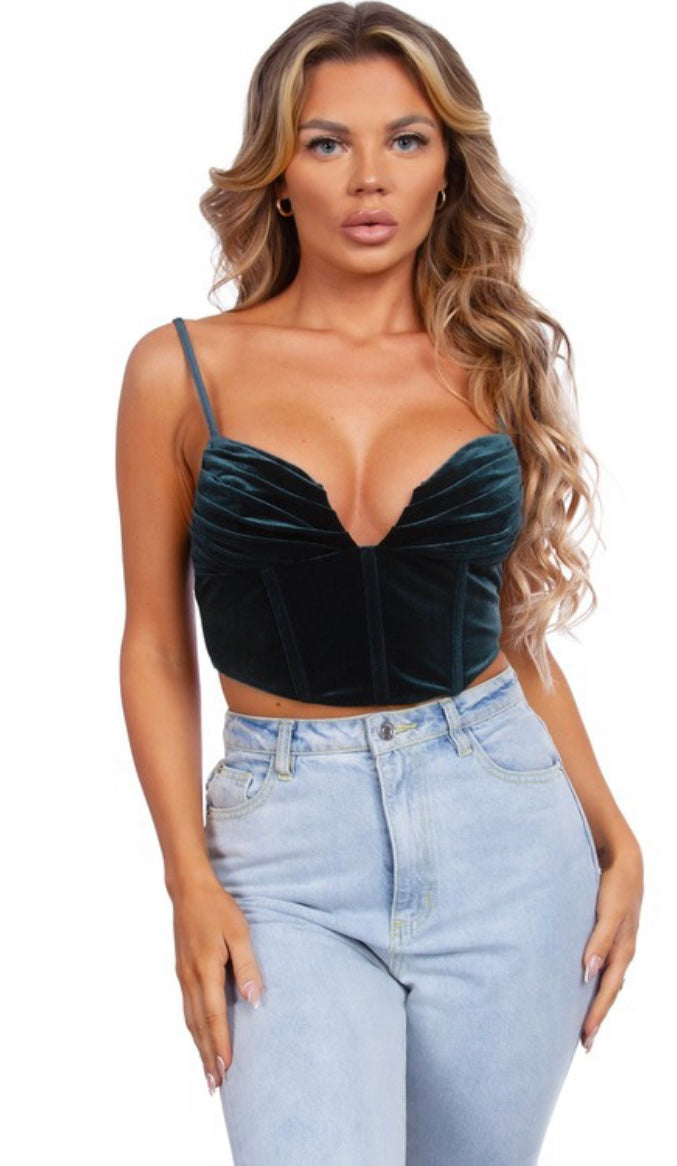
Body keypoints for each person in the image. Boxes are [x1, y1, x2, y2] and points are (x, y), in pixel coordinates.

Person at [115, 3, 643, 1162]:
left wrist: (616, 835)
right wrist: (185, 878)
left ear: (447, 168)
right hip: (284, 851)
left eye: (405, 140)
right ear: (278, 172)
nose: (368, 178)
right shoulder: (179, 371)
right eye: (327, 142)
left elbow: (508, 629)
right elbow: (154, 642)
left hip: (507, 833)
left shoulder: (492, 360)